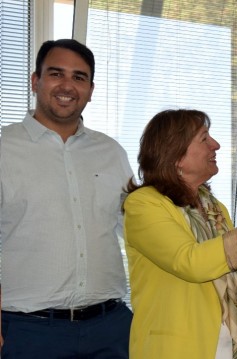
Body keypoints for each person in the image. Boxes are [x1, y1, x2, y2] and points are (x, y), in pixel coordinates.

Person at [123, 109, 237, 358]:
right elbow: (192, 262)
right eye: (204, 138)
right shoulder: (143, 204)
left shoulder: (213, 207)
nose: (216, 145)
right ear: (175, 154)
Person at [0, 39, 133, 357]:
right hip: (28, 334)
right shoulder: (4, 148)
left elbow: (138, 231)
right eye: (56, 73)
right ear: (36, 81)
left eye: (79, 77)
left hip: (111, 329)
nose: (67, 86)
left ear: (90, 89)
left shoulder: (111, 152)